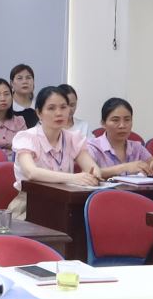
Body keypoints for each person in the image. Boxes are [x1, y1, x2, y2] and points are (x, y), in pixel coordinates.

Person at [8, 86, 101, 217]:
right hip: (31, 204)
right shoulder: (27, 137)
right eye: (51, 108)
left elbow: (92, 168)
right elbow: (31, 173)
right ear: (39, 113)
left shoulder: (73, 138)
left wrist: (93, 176)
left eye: (63, 107)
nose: (59, 113)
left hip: (66, 203)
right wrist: (74, 178)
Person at [86, 98, 153, 179]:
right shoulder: (93, 147)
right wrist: (125, 167)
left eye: (127, 120)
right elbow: (89, 173)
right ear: (103, 123)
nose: (122, 125)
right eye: (115, 120)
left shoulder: (137, 147)